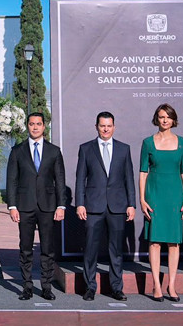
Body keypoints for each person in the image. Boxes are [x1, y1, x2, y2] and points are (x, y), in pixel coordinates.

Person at [74, 111, 135, 301]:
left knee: (116, 249)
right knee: (91, 248)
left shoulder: (124, 149)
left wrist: (131, 204)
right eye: (102, 126)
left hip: (117, 206)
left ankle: (116, 288)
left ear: (114, 127)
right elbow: (80, 178)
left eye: (109, 126)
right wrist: (80, 203)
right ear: (96, 127)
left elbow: (129, 179)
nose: (106, 129)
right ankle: (90, 287)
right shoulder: (86, 148)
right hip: (93, 206)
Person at [5, 112, 66, 301]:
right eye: (32, 124)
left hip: (48, 206)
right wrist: (12, 206)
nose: (35, 127)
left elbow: (60, 181)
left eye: (38, 124)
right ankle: (27, 287)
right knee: (25, 248)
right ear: (27, 126)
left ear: (44, 126)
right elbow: (12, 180)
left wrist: (61, 206)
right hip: (24, 206)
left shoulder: (54, 151)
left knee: (47, 248)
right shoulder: (17, 151)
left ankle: (46, 287)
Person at [139, 103, 183, 302]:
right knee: (155, 242)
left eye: (168, 117)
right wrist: (142, 199)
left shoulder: (182, 142)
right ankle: (157, 286)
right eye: (161, 117)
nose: (165, 120)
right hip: (154, 194)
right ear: (156, 119)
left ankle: (172, 285)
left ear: (173, 119)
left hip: (175, 195)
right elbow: (143, 172)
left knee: (173, 242)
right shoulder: (148, 142)